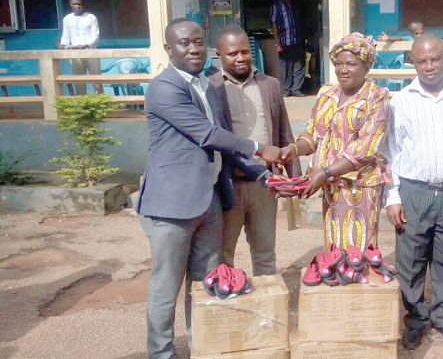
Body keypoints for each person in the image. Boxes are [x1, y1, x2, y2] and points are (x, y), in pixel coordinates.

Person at [136, 18, 283, 359]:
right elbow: (206, 134)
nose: (194, 49)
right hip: (172, 206)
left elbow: (223, 147)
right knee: (166, 285)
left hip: (210, 202)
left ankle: (201, 346)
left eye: (199, 42)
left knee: (203, 285)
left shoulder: (206, 86)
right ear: (168, 49)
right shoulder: (164, 88)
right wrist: (259, 148)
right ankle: (162, 354)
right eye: (185, 43)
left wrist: (262, 174)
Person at [384, 33, 443, 350]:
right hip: (413, 192)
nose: (429, 66)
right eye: (422, 60)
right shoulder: (401, 101)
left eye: (435, 58)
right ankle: (417, 319)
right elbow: (390, 151)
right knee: (410, 261)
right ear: (413, 62)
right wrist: (392, 196)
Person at [279, 32, 391, 251]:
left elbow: (366, 148)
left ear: (365, 66)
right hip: (331, 186)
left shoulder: (377, 96)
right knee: (334, 246)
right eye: (338, 63)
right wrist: (292, 149)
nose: (343, 69)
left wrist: (325, 173)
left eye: (351, 64)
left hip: (360, 185)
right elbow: (312, 135)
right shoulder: (325, 94)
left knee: (358, 248)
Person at [209, 25, 302, 276]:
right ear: (219, 55)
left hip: (265, 185)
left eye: (245, 51)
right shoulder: (210, 88)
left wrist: (294, 178)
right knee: (223, 254)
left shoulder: (270, 84)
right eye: (232, 54)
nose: (240, 58)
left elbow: (284, 131)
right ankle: (230, 306)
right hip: (228, 185)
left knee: (264, 253)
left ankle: (267, 310)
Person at [58, 0, 103, 95]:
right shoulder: (67, 19)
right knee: (79, 81)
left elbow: (96, 36)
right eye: (75, 4)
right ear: (70, 4)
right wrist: (63, 45)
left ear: (83, 4)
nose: (77, 6)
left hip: (91, 53)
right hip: (75, 54)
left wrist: (86, 45)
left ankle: (101, 106)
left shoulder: (91, 17)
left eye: (80, 4)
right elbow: (66, 36)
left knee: (97, 81)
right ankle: (82, 107)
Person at [271, 0, 304, 96]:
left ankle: (296, 89)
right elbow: (274, 23)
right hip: (285, 41)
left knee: (298, 65)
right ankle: (286, 90)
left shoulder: (295, 5)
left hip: (297, 40)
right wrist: (277, 42)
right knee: (286, 67)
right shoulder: (277, 5)